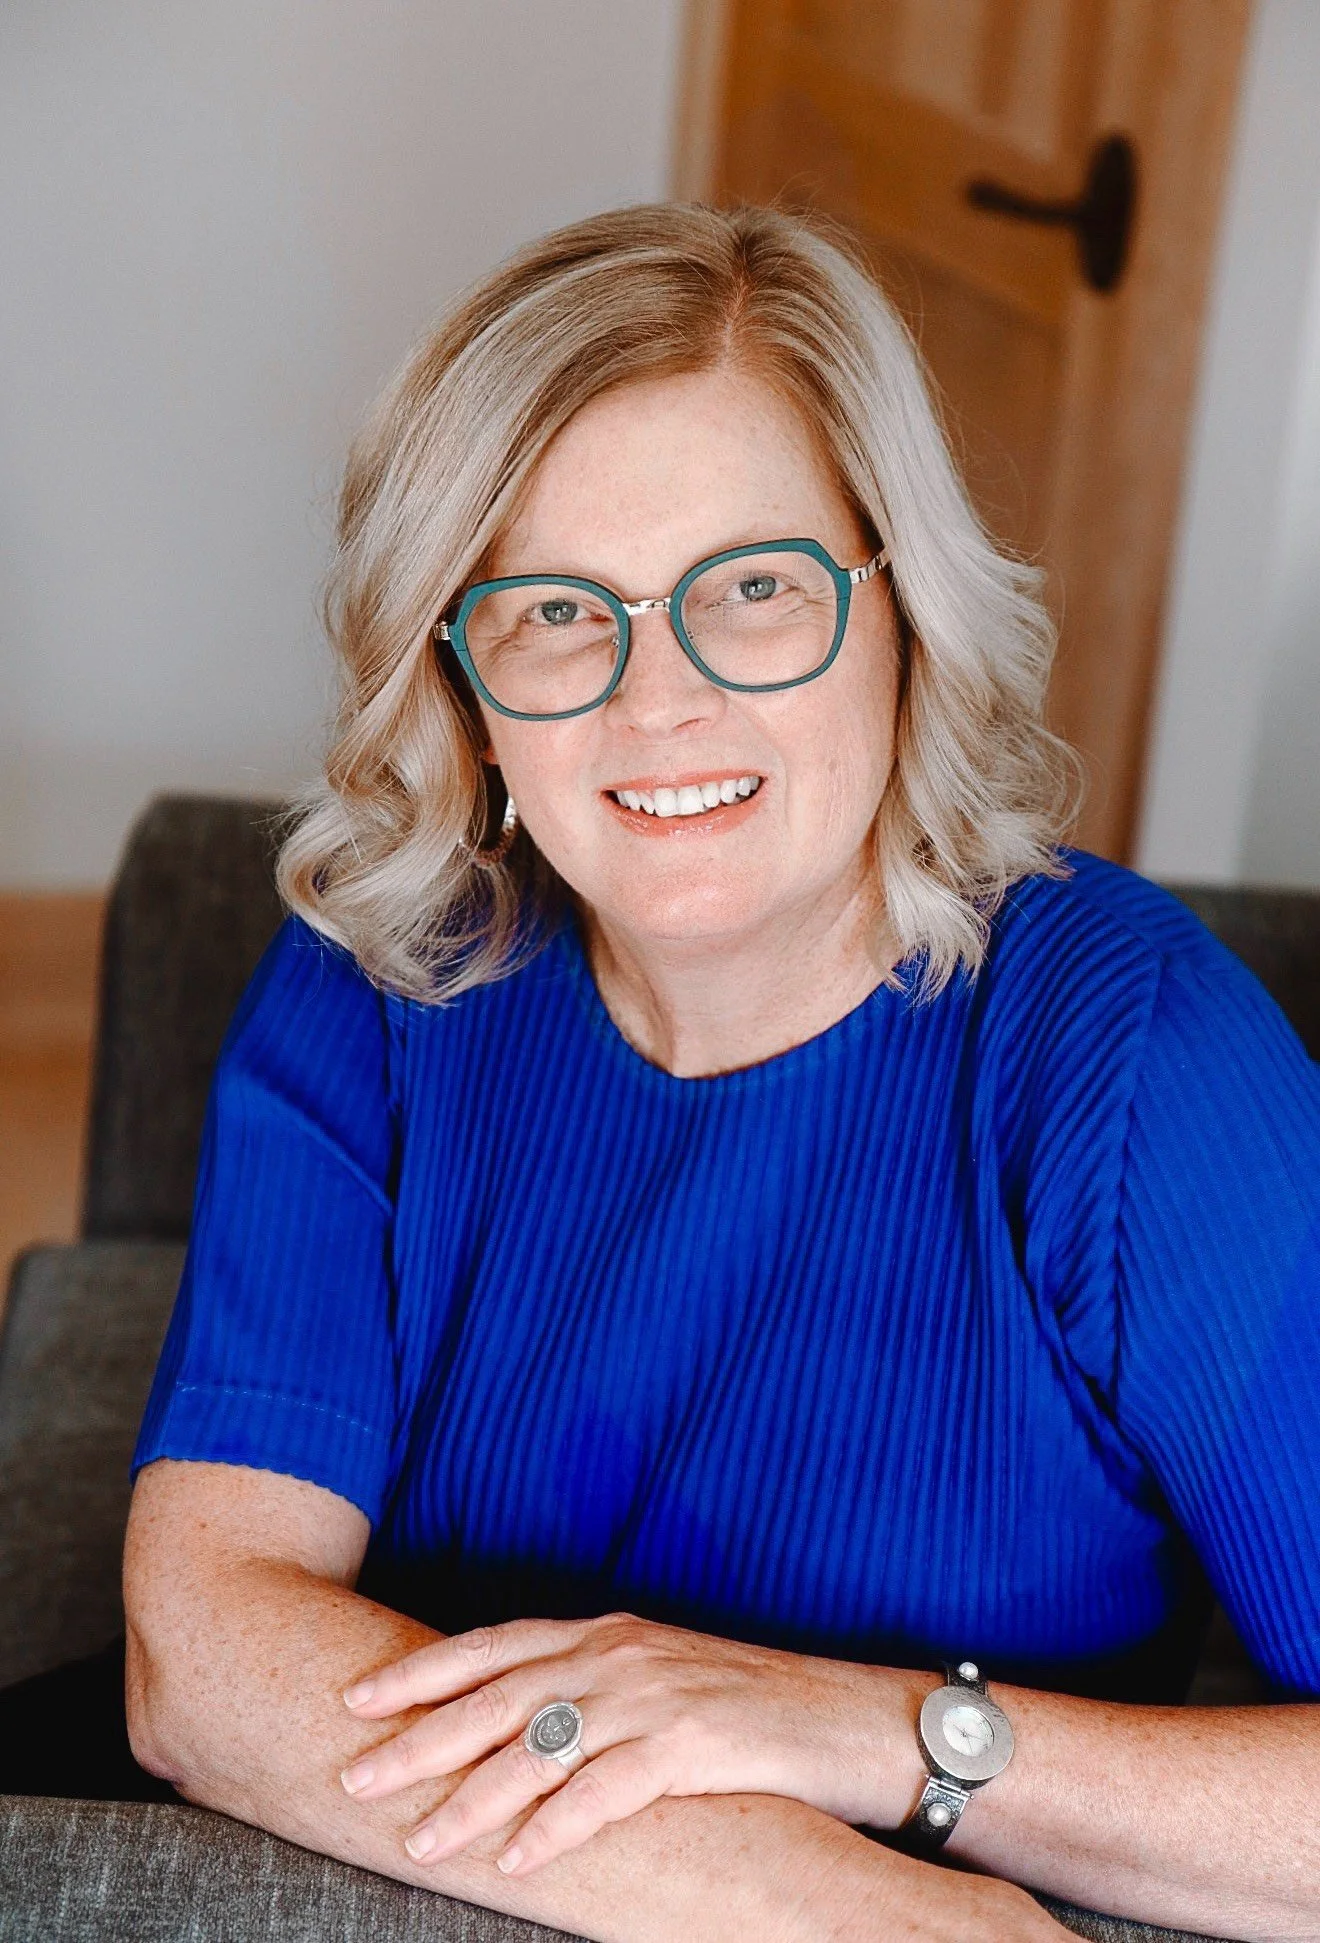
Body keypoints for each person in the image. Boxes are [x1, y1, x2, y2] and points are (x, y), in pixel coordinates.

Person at [119, 204, 1319, 1942]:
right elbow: (202, 1651)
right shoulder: (381, 972)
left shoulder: (1140, 1062)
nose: (657, 700)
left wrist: (880, 1733)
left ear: (901, 614)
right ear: (464, 684)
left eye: (755, 591)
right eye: (554, 612)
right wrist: (867, 1911)